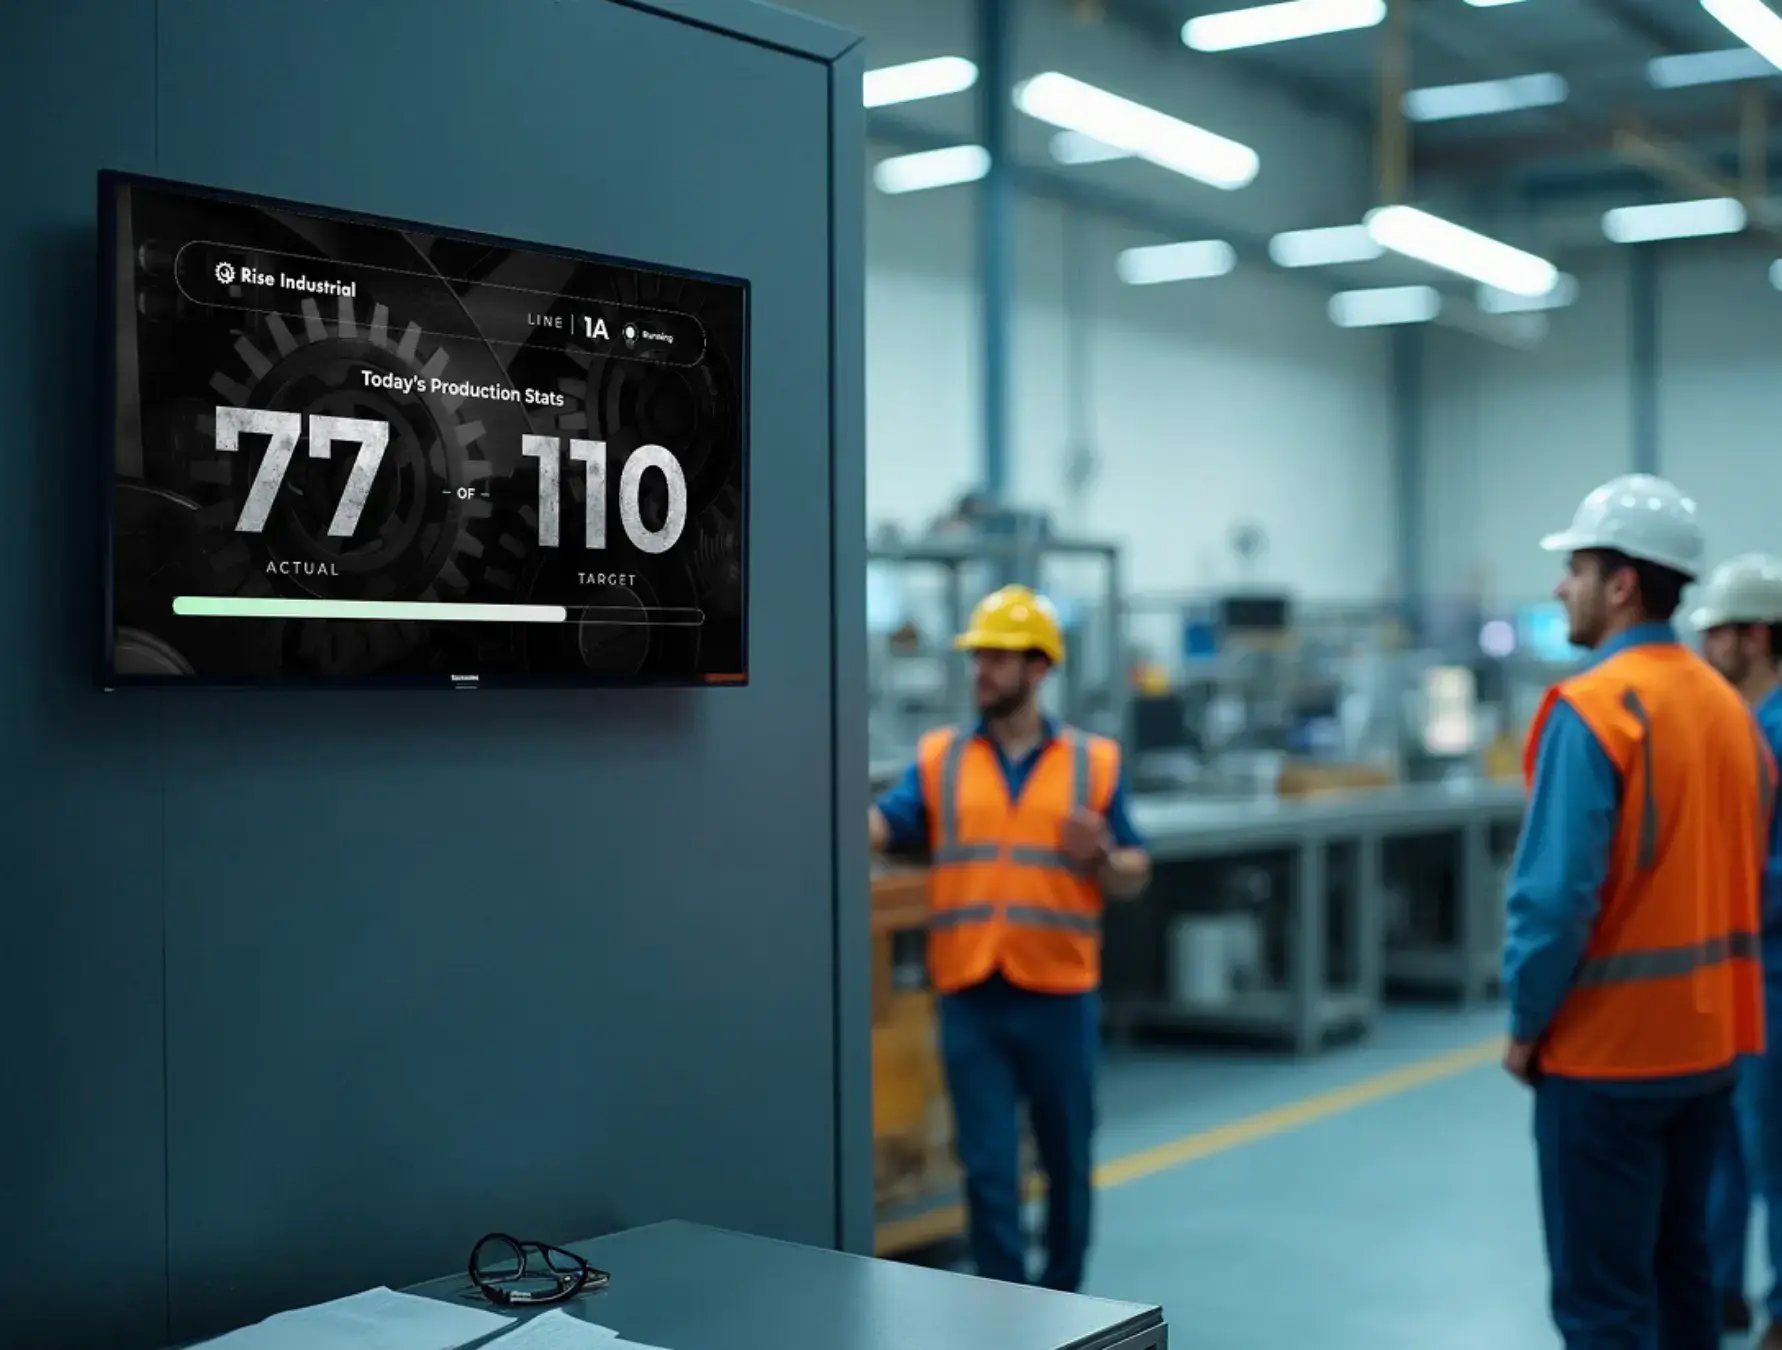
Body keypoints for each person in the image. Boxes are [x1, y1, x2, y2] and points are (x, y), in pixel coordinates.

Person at [1501, 474, 1772, 1350]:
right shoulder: (1736, 717)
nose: (1559, 588)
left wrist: (1524, 1024)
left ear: (1622, 582)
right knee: (1682, 1277)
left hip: (1606, 1058)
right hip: (1711, 1046)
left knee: (1604, 1305)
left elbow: (1551, 904)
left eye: (1574, 568)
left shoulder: (1595, 712)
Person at [868, 584, 1150, 1292]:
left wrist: (1103, 855)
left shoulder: (1094, 763)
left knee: (1065, 1164)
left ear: (1039, 669)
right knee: (989, 1171)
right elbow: (888, 825)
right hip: (971, 995)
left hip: (1058, 993)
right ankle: (1003, 1315)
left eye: (997, 657)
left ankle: (1062, 1305)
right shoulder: (942, 760)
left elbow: (1134, 872)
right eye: (977, 657)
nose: (981, 672)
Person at [1692, 554, 1782, 1345]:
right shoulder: (1737, 724)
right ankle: (1719, 1288)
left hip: (1774, 969)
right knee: (1720, 1144)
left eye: (1716, 632)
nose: (1706, 647)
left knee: (1773, 1155)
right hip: (1733, 972)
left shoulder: (1779, 729)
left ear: (1754, 636)